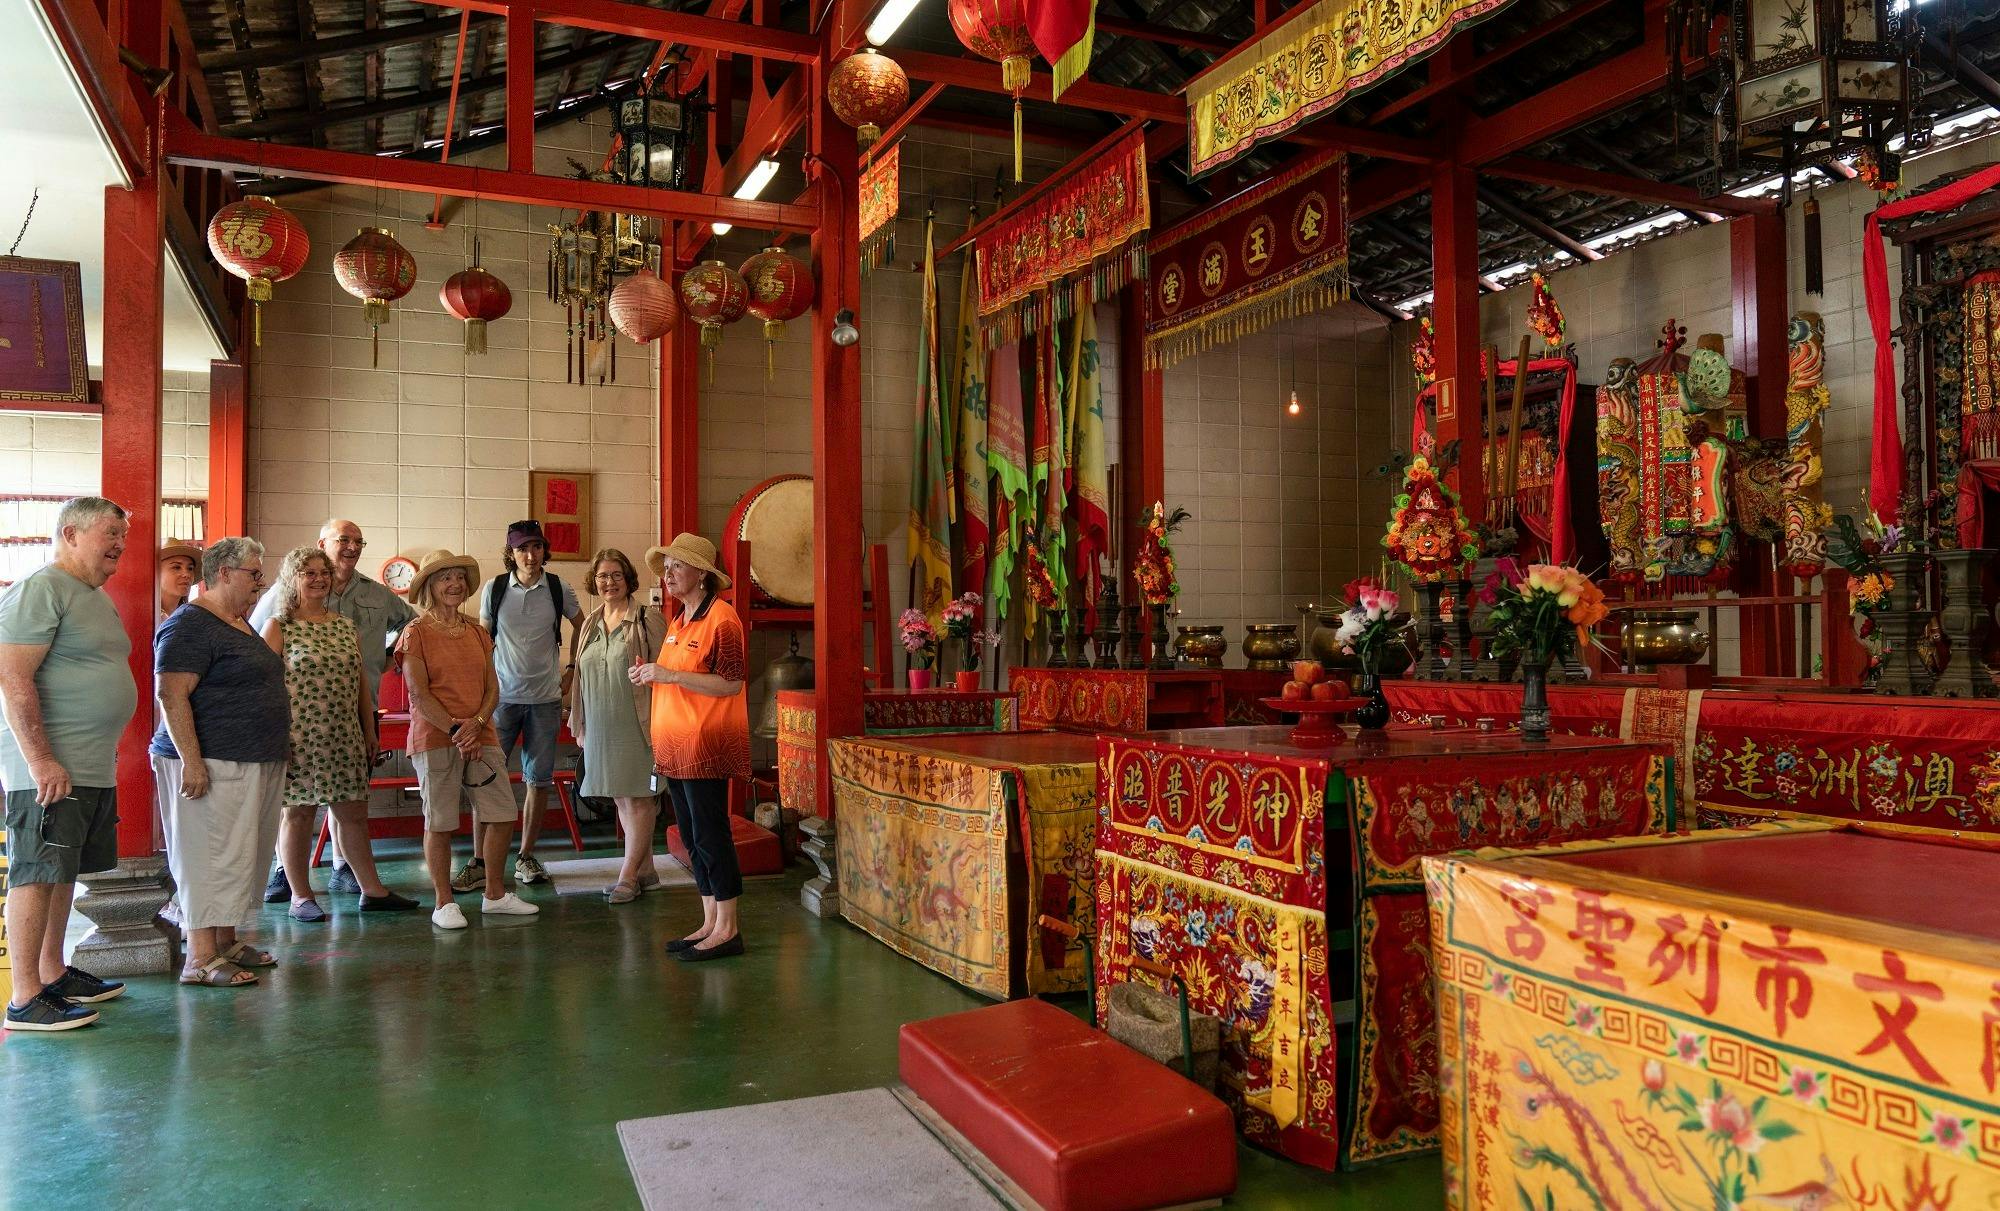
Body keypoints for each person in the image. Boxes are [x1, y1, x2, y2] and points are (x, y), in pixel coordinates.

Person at [0, 497, 136, 1031]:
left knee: (62, 871)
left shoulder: (92, 596)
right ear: (70, 532)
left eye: (122, 534)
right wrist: (40, 759)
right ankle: (26, 996)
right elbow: (13, 678)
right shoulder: (42, 588)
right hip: (50, 767)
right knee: (37, 870)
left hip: (88, 764)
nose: (119, 544)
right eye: (110, 533)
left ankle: (52, 973)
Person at [250, 519, 415, 901]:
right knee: (297, 811)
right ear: (322, 543)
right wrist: (270, 732)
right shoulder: (279, 616)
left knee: (352, 807)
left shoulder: (357, 612)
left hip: (350, 722)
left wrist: (387, 660)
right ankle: (291, 882)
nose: (352, 547)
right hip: (296, 729)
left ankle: (356, 879)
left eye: (359, 541)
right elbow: (257, 667)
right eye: (344, 540)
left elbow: (402, 632)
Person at [154, 537, 290, 989]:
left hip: (252, 757)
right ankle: (199, 956)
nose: (261, 582)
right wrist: (192, 760)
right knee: (207, 857)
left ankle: (226, 942)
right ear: (225, 572)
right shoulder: (191, 625)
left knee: (241, 855)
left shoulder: (238, 622)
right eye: (254, 573)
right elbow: (171, 694)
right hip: (209, 759)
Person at [397, 549, 539, 930]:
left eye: (459, 577)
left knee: (502, 814)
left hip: (482, 735)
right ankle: (444, 902)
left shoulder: (478, 632)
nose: (454, 584)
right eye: (445, 577)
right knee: (441, 822)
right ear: (429, 585)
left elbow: (493, 687)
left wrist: (476, 723)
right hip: (436, 738)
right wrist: (459, 731)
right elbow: (419, 694)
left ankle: (494, 894)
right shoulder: (416, 633)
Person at [631, 533, 749, 961]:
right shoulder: (680, 621)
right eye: (666, 568)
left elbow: (732, 682)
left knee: (712, 834)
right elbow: (673, 673)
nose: (668, 575)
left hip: (706, 745)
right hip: (675, 748)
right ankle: (709, 922)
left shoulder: (723, 618)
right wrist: (653, 673)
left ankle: (729, 928)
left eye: (677, 566)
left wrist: (671, 676)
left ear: (702, 573)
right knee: (694, 838)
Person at [464, 520, 580, 891]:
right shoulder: (495, 588)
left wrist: (573, 669)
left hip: (545, 700)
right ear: (510, 553)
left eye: (536, 547)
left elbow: (583, 624)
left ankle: (526, 856)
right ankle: (480, 861)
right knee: (484, 778)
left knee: (538, 780)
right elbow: (484, 638)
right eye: (521, 549)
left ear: (545, 550)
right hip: (500, 701)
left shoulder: (558, 588)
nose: (530, 556)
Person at [570, 548, 667, 904]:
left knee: (640, 798)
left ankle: (627, 875)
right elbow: (579, 676)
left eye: (615, 575)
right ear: (593, 582)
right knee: (621, 797)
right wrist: (578, 723)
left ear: (628, 579)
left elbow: (666, 673)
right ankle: (646, 870)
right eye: (601, 576)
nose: (608, 582)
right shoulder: (591, 622)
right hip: (599, 722)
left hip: (638, 722)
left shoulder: (647, 618)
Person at [157, 542, 199, 616]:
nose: (187, 574)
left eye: (190, 568)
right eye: (176, 567)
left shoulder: (192, 616)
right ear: (156, 572)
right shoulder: (144, 616)